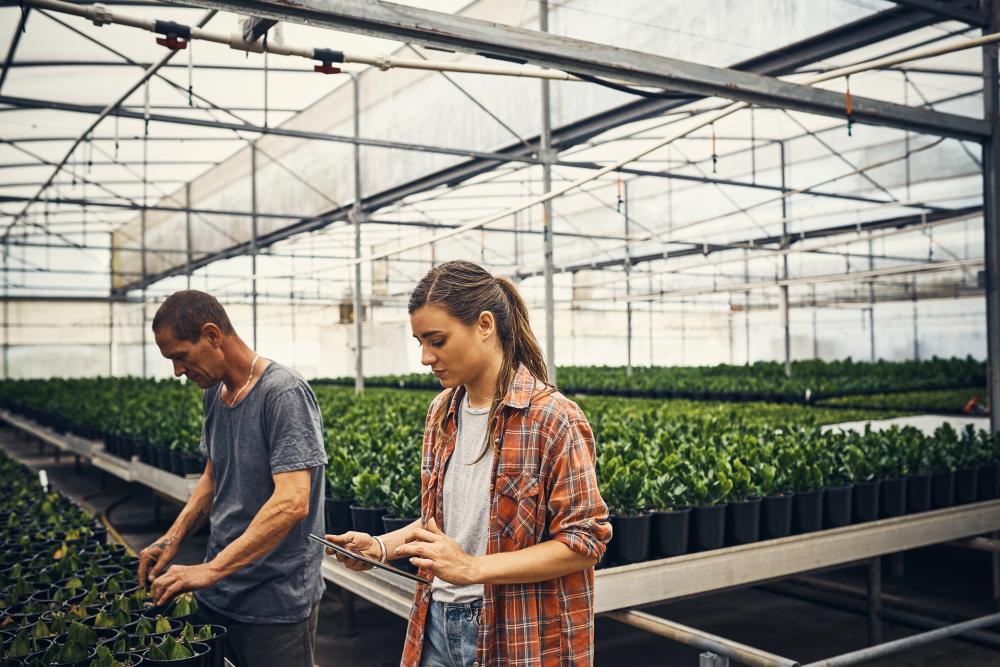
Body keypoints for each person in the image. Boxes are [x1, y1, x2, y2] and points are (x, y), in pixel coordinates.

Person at [326, 260, 612, 667]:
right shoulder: (442, 412)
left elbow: (586, 542)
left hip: (516, 632)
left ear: (484, 325)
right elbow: (441, 522)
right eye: (419, 342)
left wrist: (473, 568)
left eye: (437, 340)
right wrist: (380, 547)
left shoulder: (553, 419)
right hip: (435, 622)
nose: (426, 357)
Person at [139, 290, 327, 667]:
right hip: (220, 591)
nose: (177, 371)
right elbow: (212, 476)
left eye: (180, 356)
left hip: (273, 602)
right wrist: (172, 539)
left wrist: (210, 569)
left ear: (212, 335)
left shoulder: (283, 393)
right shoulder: (215, 393)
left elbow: (292, 502)